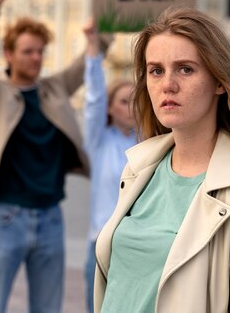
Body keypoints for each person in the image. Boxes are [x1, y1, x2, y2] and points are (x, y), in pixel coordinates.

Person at [94, 7, 230, 313]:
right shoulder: (138, 170)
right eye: (156, 70)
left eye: (185, 69)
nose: (168, 84)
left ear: (219, 81)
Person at [0, 0, 90, 313]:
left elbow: (90, 58)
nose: (35, 58)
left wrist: (101, 15)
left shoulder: (54, 88)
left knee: (49, 308)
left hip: (51, 217)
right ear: (9, 54)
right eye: (28, 51)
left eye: (40, 51)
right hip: (6, 217)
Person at [82, 22, 137, 313]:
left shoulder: (151, 144)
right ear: (110, 107)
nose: (132, 107)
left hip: (139, 247)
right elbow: (92, 100)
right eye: (124, 101)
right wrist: (93, 49)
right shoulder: (98, 142)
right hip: (102, 245)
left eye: (136, 101)